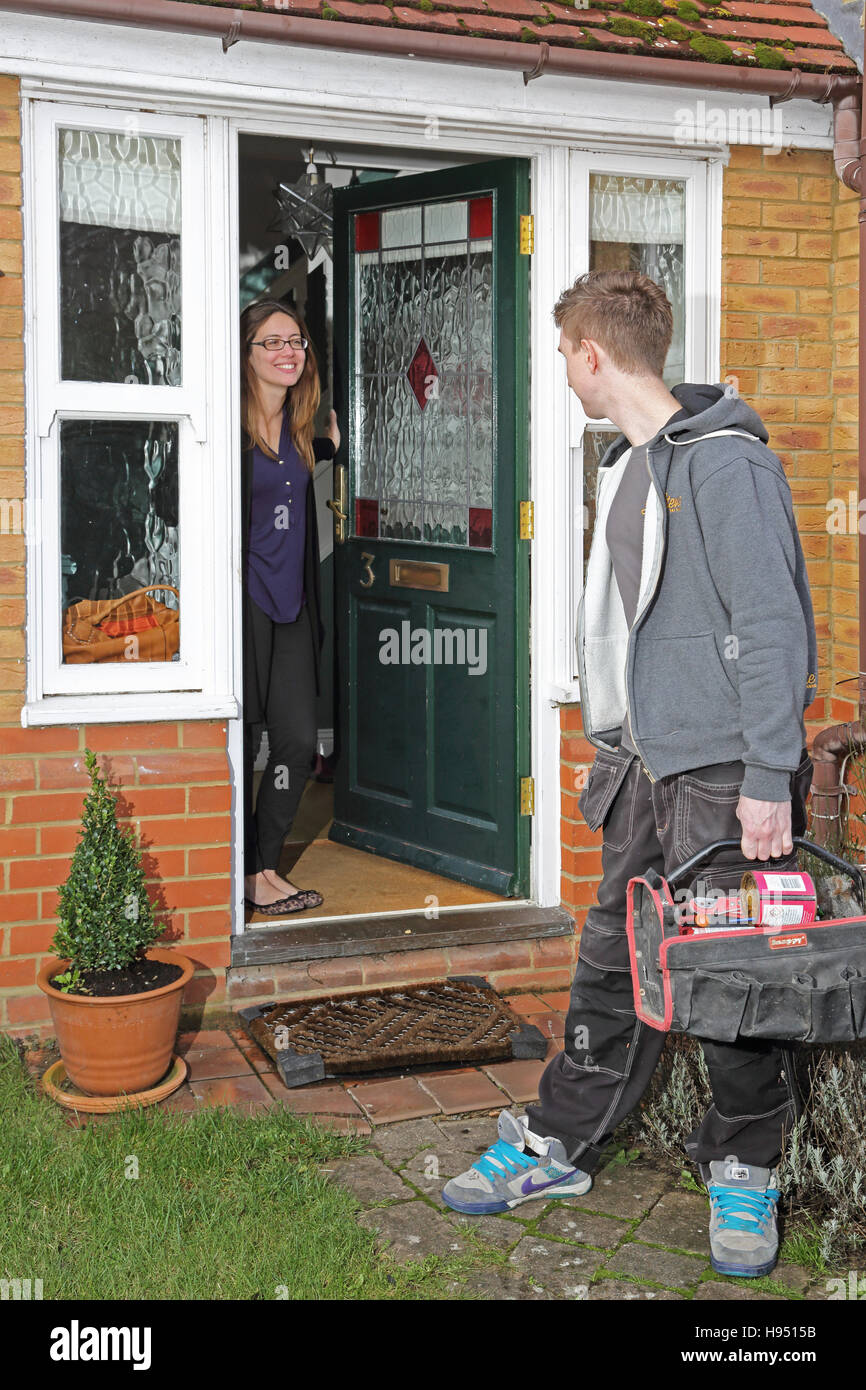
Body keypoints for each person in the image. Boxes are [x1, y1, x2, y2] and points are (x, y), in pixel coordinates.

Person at [443, 270, 818, 1280]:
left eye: (564, 354)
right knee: (609, 967)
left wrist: (767, 776)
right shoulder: (629, 465)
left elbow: (773, 622)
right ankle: (560, 1142)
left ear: (593, 354)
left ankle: (743, 1168)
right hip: (644, 769)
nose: (562, 373)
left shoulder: (726, 465)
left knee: (734, 986)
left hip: (721, 777)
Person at [241, 298, 340, 916]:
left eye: (297, 343)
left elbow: (296, 479)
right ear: (247, 353)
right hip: (244, 608)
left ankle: (261, 866)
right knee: (240, 736)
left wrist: (331, 449)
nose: (288, 352)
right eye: (273, 342)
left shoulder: (301, 430)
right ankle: (244, 870)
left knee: (298, 741)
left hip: (294, 606)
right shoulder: (228, 428)